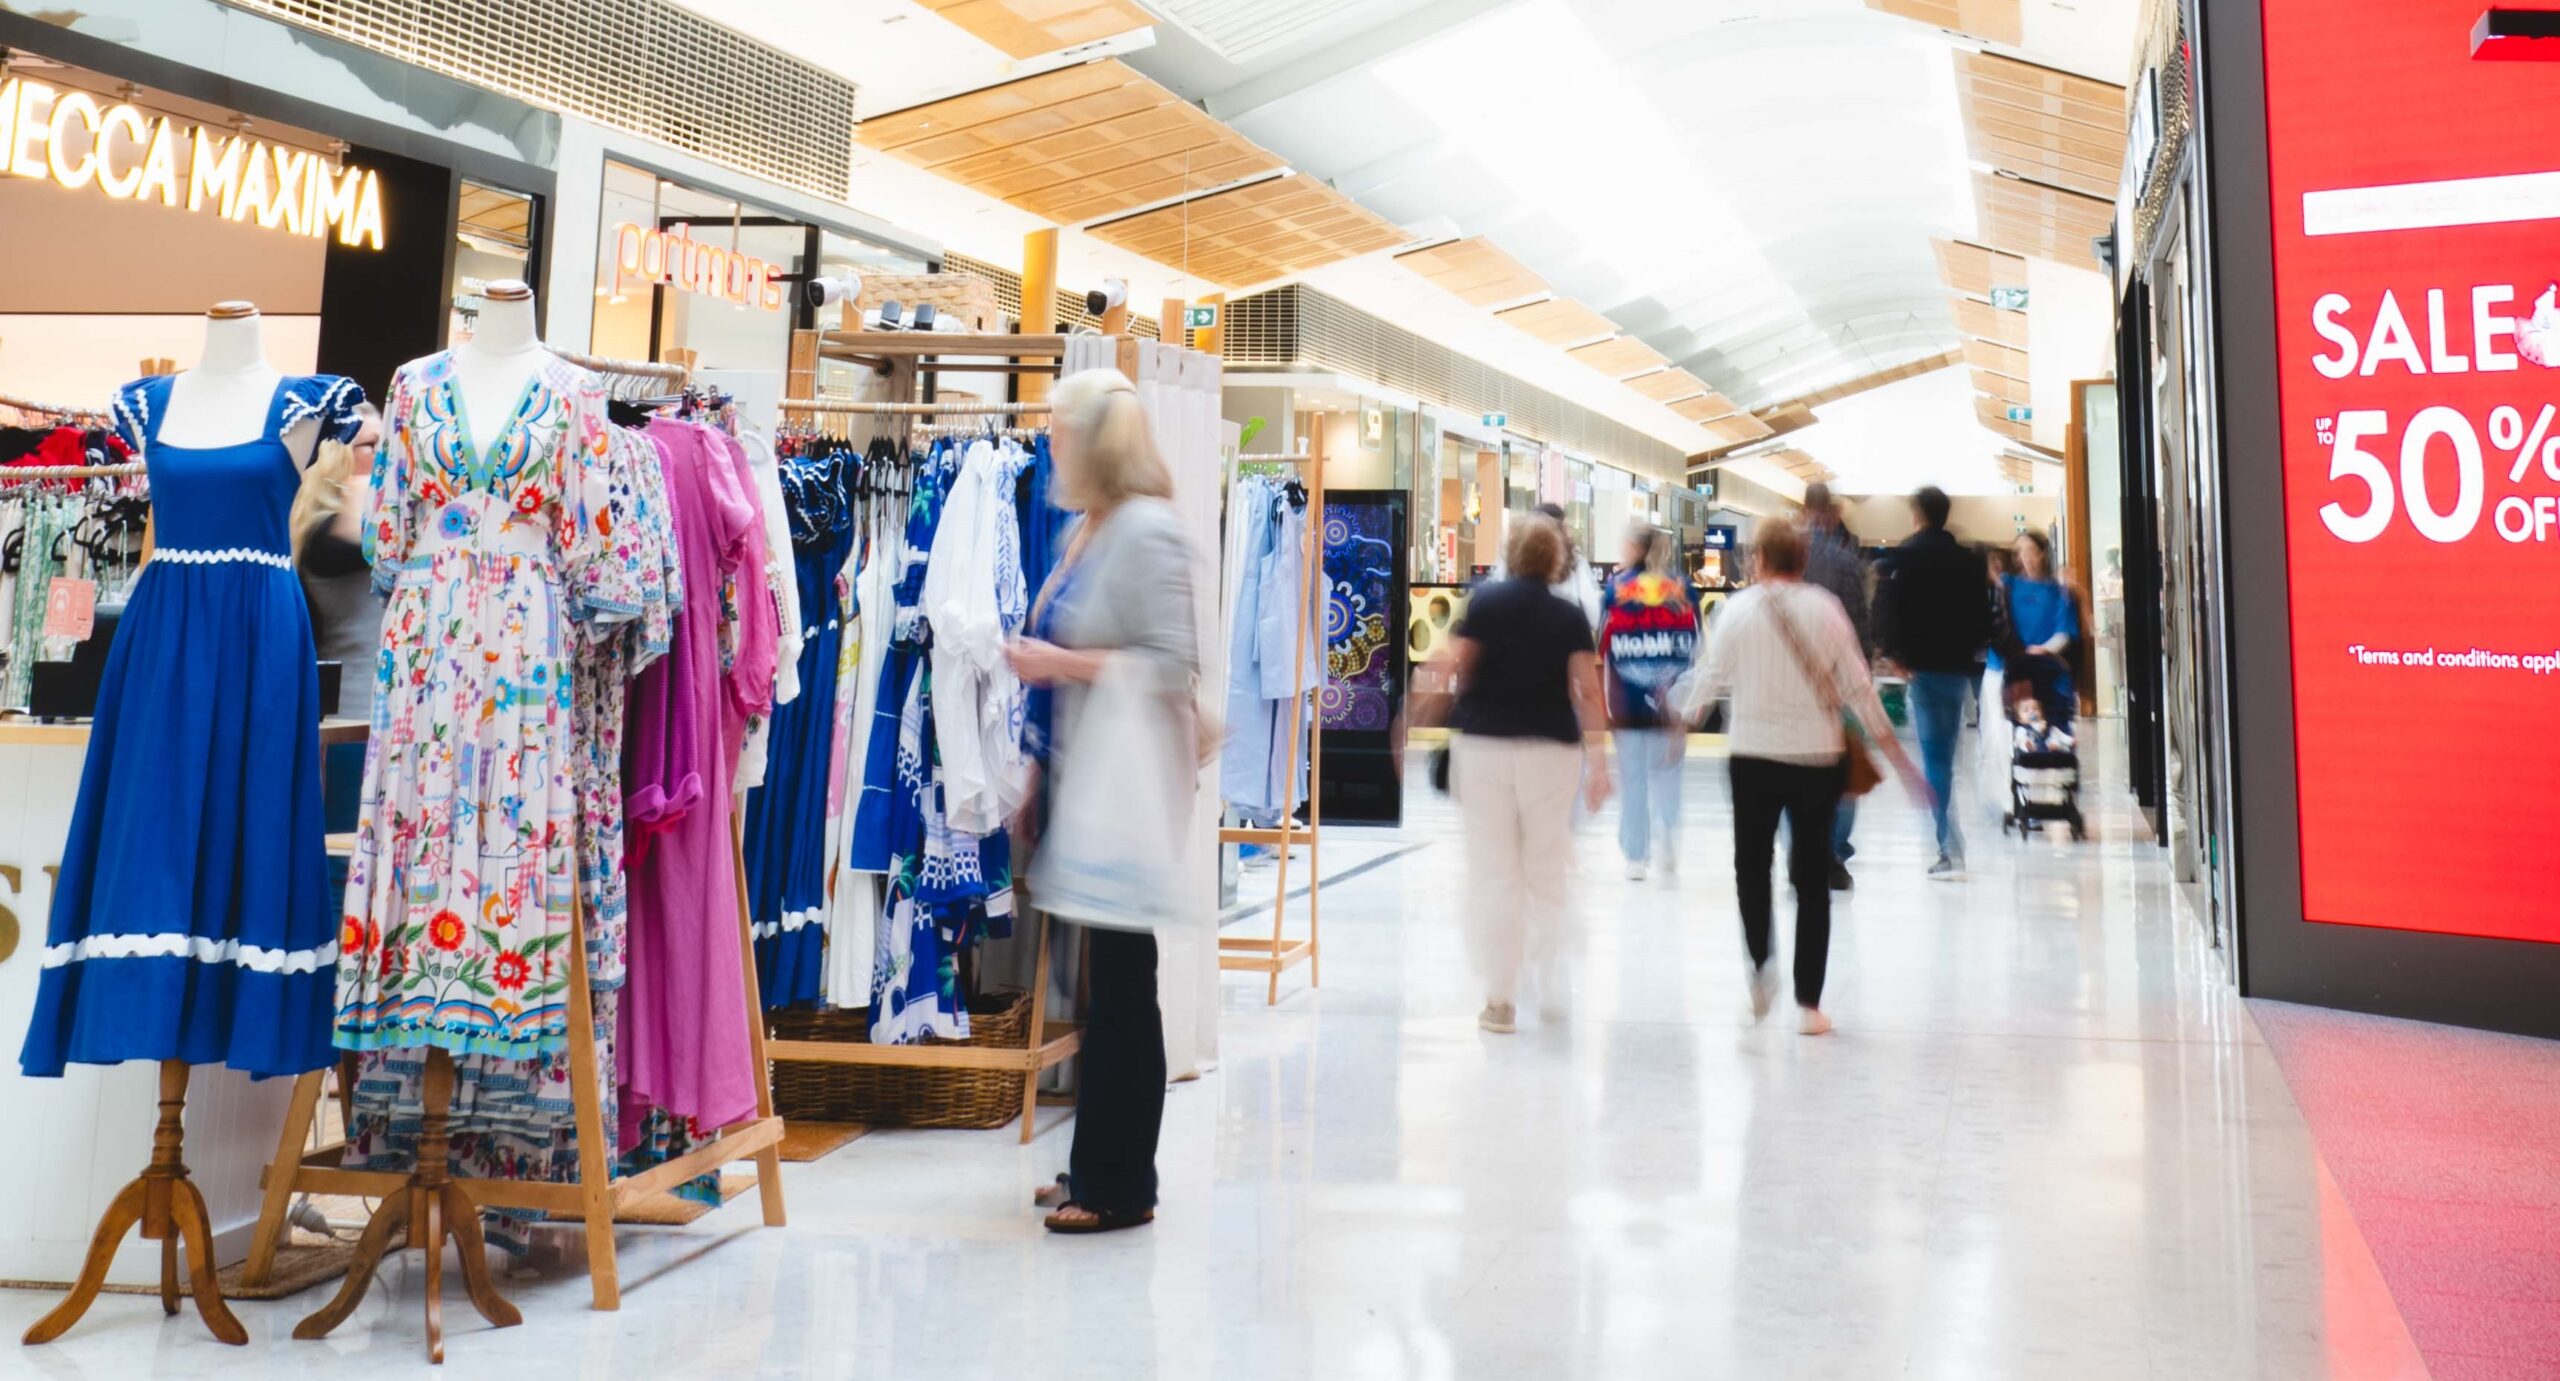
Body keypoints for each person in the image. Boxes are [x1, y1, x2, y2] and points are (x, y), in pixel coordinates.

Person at [1005, 369, 1200, 1235]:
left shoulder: (1148, 531)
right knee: (1099, 989)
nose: (1050, 445)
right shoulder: (1091, 528)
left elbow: (1169, 662)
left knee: (1123, 989)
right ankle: (1094, 1162)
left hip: (1124, 793)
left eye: (1059, 431)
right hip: (1082, 781)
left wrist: (1060, 665)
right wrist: (1037, 775)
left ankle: (1121, 1185)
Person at [1694, 523, 1918, 1035]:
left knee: (1751, 867)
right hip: (1816, 757)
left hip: (1751, 755)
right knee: (1813, 877)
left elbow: (1710, 677)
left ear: (1758, 558)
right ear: (1801, 559)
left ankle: (1760, 969)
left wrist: (1681, 720)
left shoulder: (1737, 610)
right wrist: (1895, 753)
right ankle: (1809, 1005)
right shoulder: (1826, 609)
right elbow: (1859, 687)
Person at [1450, 514, 1612, 1033]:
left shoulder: (1485, 604)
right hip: (1552, 752)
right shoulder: (1569, 616)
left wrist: (1412, 714)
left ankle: (1500, 999)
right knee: (1547, 865)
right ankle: (1552, 976)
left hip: (1484, 749)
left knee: (1495, 872)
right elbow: (1589, 693)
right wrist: (1599, 763)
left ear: (1511, 552)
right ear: (1556, 560)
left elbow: (1455, 666)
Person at [1873, 486, 1992, 879]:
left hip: (1920, 670)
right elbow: (1982, 616)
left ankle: (1948, 846)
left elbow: (1885, 611)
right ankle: (1949, 842)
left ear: (1917, 515)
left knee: (1935, 759)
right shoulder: (1967, 561)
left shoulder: (1903, 558)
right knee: (1945, 758)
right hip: (1955, 669)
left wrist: (1894, 654)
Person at [1600, 520, 1700, 881]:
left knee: (1634, 779)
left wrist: (1606, 705)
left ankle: (1636, 855)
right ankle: (1667, 834)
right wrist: (1689, 704)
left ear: (1634, 547)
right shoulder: (1682, 588)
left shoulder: (1617, 590)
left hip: (1627, 701)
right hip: (1671, 700)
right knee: (1668, 776)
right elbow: (1696, 648)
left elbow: (1604, 650)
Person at [289, 401, 385, 721]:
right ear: (336, 457)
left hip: (371, 700)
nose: (386, 455)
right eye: (371, 444)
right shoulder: (324, 533)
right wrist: (362, 489)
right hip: (356, 705)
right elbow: (356, 544)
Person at [1799, 483, 1870, 890]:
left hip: (1793, 681)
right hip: (1839, 680)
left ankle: (1803, 851)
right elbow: (1859, 626)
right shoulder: (1846, 561)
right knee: (1843, 771)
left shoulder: (1787, 554)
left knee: (1796, 766)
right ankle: (1835, 852)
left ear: (1805, 508)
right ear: (1829, 510)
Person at [1996, 530, 2081, 706]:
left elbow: (2064, 633)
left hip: (2049, 668)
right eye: (2021, 551)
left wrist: (2044, 650)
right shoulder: (2008, 585)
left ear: (2042, 553)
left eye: (2031, 550)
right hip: (2017, 668)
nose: (2027, 557)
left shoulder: (2059, 591)